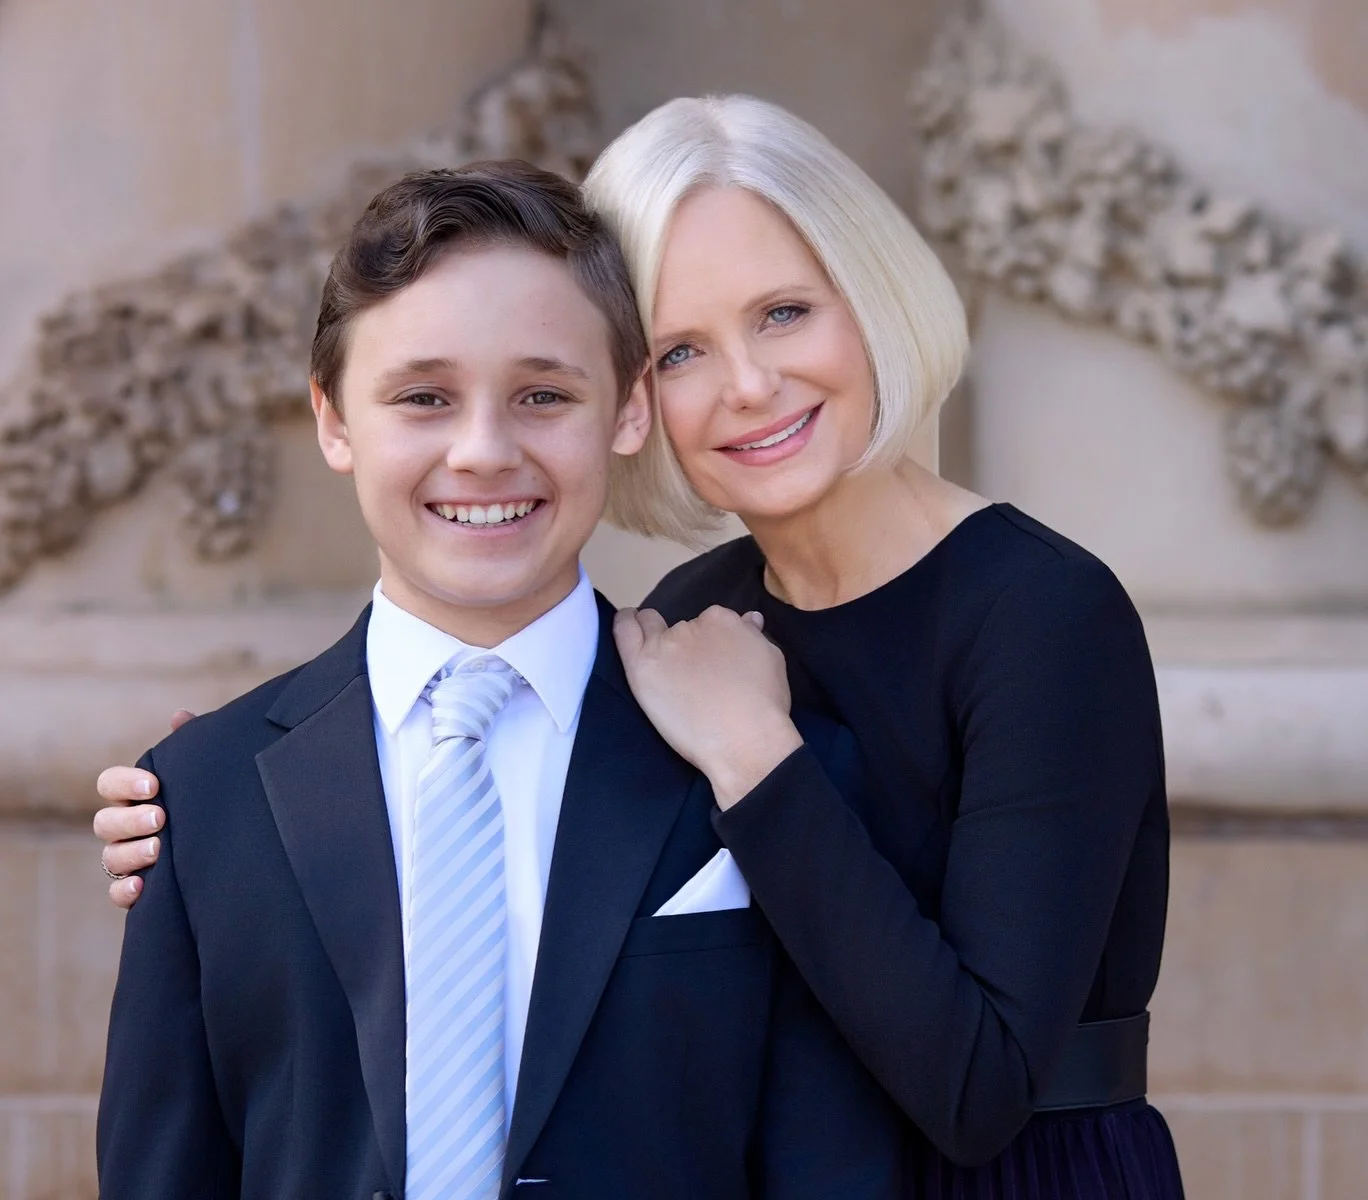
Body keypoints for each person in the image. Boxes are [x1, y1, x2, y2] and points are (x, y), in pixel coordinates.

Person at [96, 97, 1186, 1198]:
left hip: (1025, 1170)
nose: (748, 384)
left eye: (784, 312)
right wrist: (226, 805)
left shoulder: (1045, 615)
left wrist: (760, 759)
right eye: (680, 350)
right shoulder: (690, 615)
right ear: (637, 395)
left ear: (872, 296)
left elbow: (981, 1085)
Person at [96, 160, 905, 1200]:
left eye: (543, 395)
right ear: (334, 420)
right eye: (424, 398)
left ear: (628, 410)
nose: (483, 451)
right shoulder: (200, 797)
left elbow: (832, 1170)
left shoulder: (763, 761)